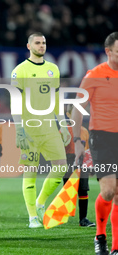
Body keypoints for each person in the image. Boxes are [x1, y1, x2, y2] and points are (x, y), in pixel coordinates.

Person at [11, 32, 71, 228]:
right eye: (37, 43)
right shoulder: (20, 71)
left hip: (50, 129)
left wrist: (63, 125)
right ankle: (32, 218)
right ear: (29, 46)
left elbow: (56, 100)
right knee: (30, 173)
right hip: (29, 130)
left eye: (43, 42)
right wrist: (19, 128)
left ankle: (40, 203)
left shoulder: (53, 69)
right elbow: (15, 102)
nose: (41, 45)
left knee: (61, 166)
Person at [72, 32, 118, 255]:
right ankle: (100, 236)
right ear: (108, 52)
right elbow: (77, 108)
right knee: (108, 190)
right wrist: (77, 140)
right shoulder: (95, 75)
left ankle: (116, 246)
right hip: (101, 138)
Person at [63, 104, 95, 227]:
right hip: (68, 162)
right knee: (68, 190)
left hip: (82, 164)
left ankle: (83, 219)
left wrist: (89, 166)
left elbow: (87, 150)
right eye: (75, 114)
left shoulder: (84, 131)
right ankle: (63, 216)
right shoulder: (64, 130)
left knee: (83, 190)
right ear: (68, 115)